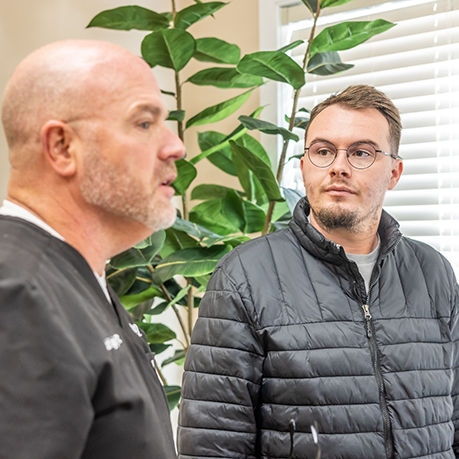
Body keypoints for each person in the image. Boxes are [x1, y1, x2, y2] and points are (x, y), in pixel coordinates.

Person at [178, 85, 459, 458]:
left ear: (394, 172)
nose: (338, 166)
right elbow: (212, 446)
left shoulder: (433, 273)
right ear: (305, 166)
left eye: (361, 152)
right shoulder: (243, 277)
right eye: (323, 151)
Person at [0, 40, 185, 458]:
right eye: (143, 123)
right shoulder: (18, 294)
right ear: (63, 147)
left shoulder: (75, 276)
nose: (175, 146)